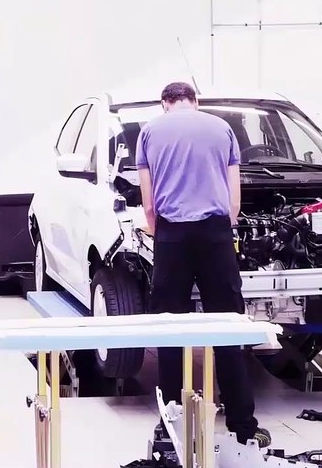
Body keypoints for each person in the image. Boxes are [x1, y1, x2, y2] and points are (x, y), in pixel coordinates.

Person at [132, 81, 269, 447]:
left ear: (165, 103)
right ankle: (243, 424)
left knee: (171, 329)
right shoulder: (221, 128)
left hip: (171, 236)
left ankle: (171, 420)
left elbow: (148, 202)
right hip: (215, 235)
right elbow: (233, 196)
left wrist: (162, 232)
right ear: (195, 101)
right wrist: (223, 228)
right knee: (228, 326)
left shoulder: (149, 132)